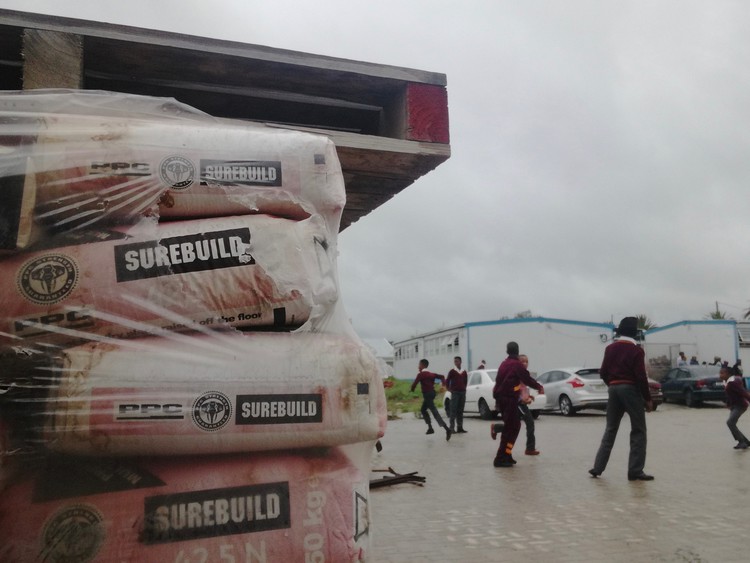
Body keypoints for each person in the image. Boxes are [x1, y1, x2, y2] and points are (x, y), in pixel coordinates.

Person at [589, 316, 654, 481]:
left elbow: (603, 372)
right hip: (630, 389)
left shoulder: (610, 348)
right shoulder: (636, 350)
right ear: (635, 334)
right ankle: (635, 471)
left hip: (613, 389)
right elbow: (640, 376)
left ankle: (597, 467)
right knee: (638, 429)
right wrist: (647, 398)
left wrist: (612, 384)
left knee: (610, 429)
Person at [492, 342, 544, 468]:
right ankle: (500, 458)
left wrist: (497, 401)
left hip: (503, 399)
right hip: (509, 400)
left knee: (514, 426)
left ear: (507, 351)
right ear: (517, 351)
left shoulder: (503, 364)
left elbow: (498, 382)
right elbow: (527, 379)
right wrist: (539, 387)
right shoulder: (516, 365)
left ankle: (507, 454)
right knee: (511, 428)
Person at [410, 359, 451, 441]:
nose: (418, 367)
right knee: (423, 409)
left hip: (427, 395)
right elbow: (442, 376)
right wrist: (443, 385)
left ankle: (447, 429)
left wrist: (412, 389)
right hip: (432, 393)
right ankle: (430, 428)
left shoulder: (421, 375)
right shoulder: (431, 374)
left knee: (434, 411)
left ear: (422, 365)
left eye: (419, 365)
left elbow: (414, 384)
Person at [721, 366, 750, 449]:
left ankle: (742, 442)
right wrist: (728, 404)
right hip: (734, 406)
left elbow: (743, 393)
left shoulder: (733, 383)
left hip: (741, 405)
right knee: (731, 423)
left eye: (722, 373)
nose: (720, 375)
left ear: (728, 374)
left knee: (730, 422)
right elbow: (730, 395)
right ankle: (745, 442)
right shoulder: (726, 382)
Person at [517, 354, 539, 455]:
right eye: (523, 361)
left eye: (526, 361)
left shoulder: (525, 374)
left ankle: (496, 427)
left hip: (522, 402)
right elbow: (516, 390)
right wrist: (522, 400)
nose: (525, 363)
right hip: (518, 404)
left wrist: (529, 396)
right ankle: (530, 448)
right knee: (530, 423)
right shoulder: (517, 374)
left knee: (513, 425)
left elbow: (524, 387)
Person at [446, 356, 468, 433]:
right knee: (453, 410)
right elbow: (447, 380)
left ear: (460, 362)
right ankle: (451, 428)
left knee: (460, 410)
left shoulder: (464, 371)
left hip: (462, 393)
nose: (456, 363)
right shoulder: (452, 371)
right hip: (455, 393)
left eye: (457, 361)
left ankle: (460, 427)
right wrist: (449, 389)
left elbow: (465, 381)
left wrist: (464, 389)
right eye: (455, 361)